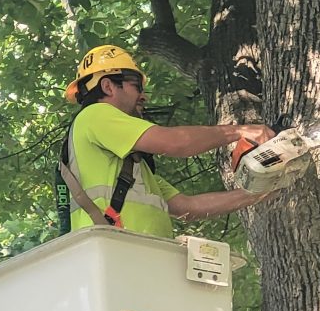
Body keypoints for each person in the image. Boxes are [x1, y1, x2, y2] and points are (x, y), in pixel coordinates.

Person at [59, 44, 276, 238]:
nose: (144, 96)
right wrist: (241, 131)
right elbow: (176, 142)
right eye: (137, 86)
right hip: (114, 257)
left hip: (134, 261)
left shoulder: (132, 171)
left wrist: (261, 191)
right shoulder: (95, 115)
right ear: (108, 87)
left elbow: (187, 207)